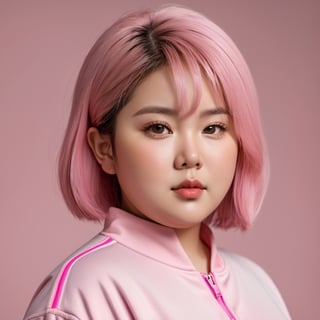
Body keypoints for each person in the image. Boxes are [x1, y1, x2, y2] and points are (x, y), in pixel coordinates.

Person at [24, 5, 291, 320]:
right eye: (158, 128)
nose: (191, 156)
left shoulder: (258, 284)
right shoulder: (79, 299)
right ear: (104, 148)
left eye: (213, 128)